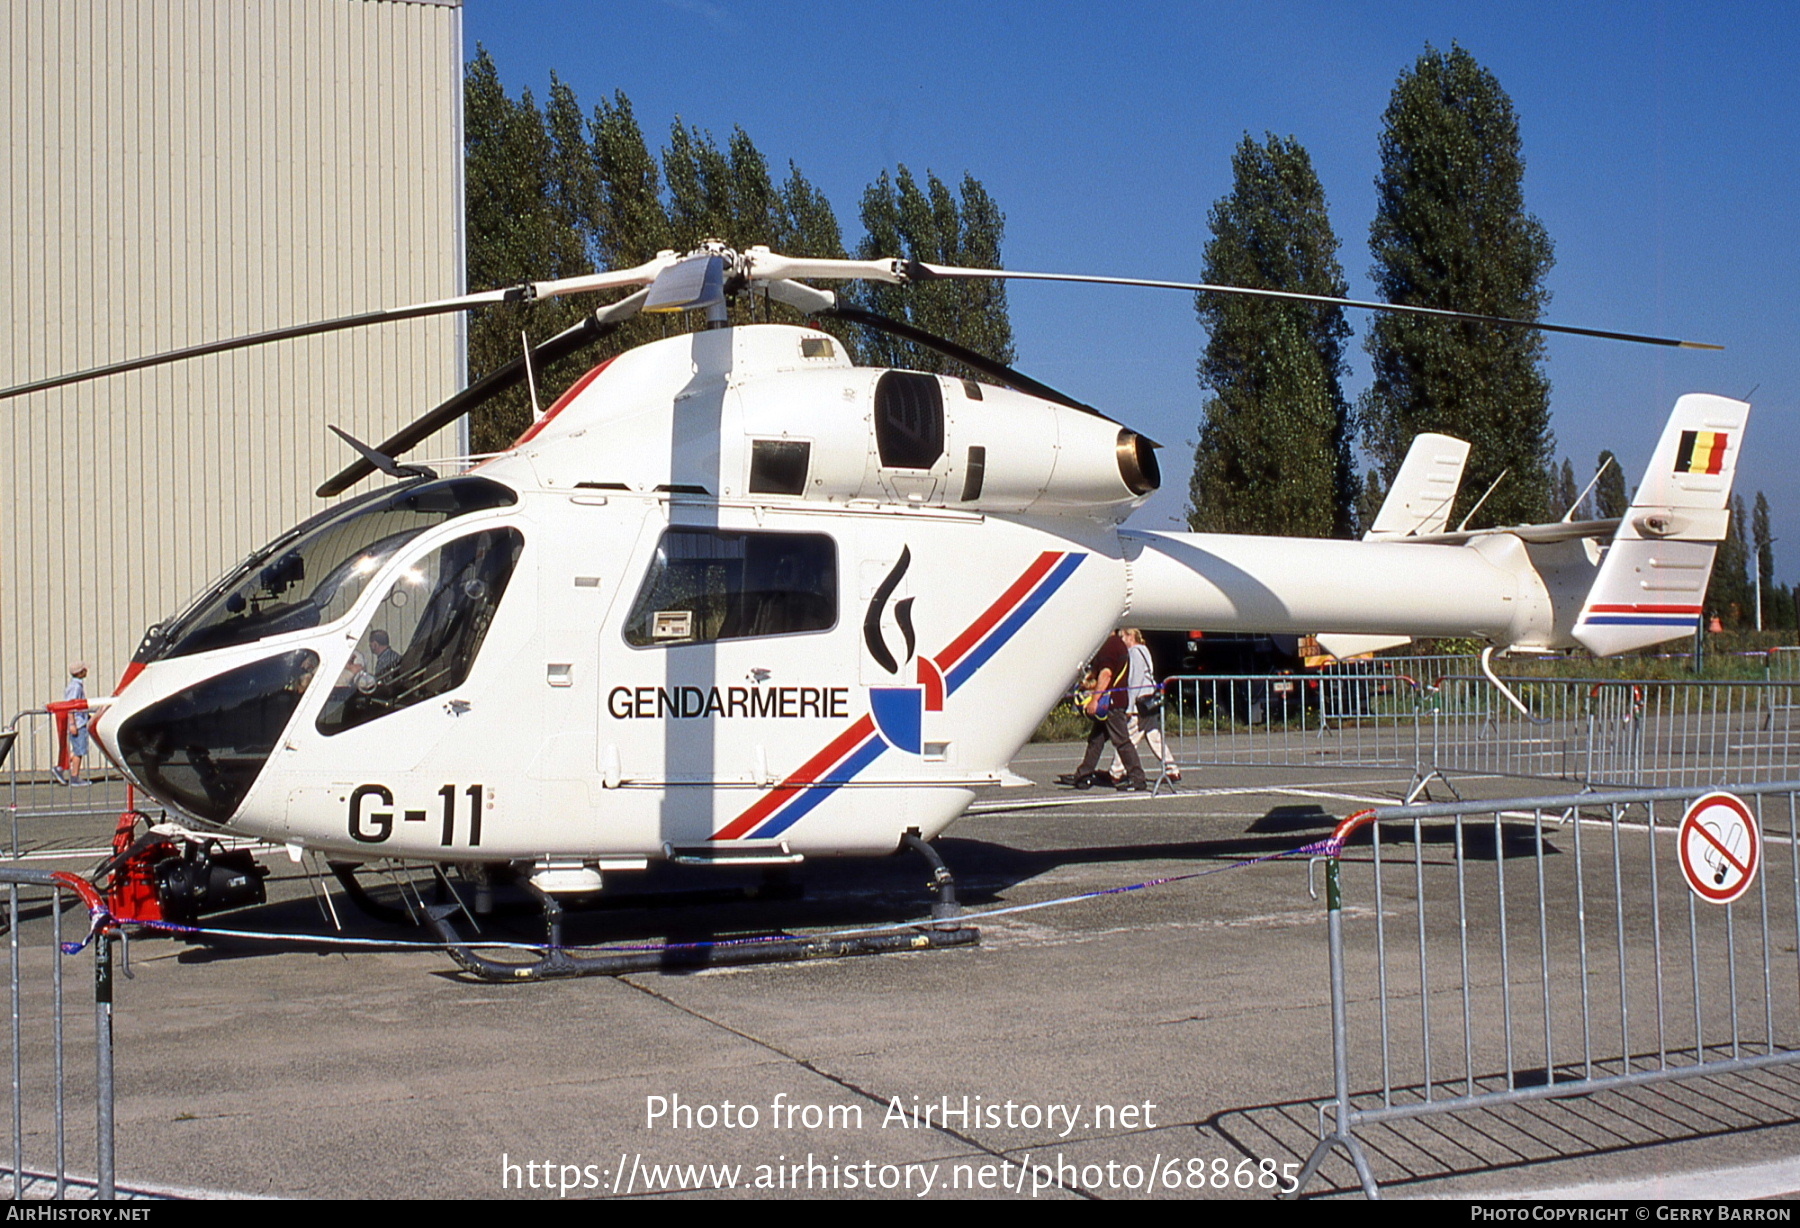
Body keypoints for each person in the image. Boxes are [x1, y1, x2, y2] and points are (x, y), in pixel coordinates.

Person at [1057, 630, 1147, 791]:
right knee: (1096, 740)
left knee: (1121, 740)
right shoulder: (1116, 644)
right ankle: (1083, 774)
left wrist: (1094, 700)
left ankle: (1137, 778)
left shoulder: (1109, 645)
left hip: (1110, 703)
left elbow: (1106, 674)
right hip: (1114, 700)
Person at [1103, 628, 1181, 783]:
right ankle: (1172, 769)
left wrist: (1129, 707)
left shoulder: (1135, 653)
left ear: (1130, 636)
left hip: (1140, 703)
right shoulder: (1144, 651)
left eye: (1122, 637)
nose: (1121, 641)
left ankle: (1116, 772)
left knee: (1129, 738)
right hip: (1148, 701)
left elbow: (1135, 681)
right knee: (1155, 737)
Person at [61, 661, 92, 786]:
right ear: (80, 673)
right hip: (78, 723)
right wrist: (72, 723)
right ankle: (74, 776)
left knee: (78, 748)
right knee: (79, 751)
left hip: (80, 720)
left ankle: (61, 768)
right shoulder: (76, 687)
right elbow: (71, 706)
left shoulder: (76, 685)